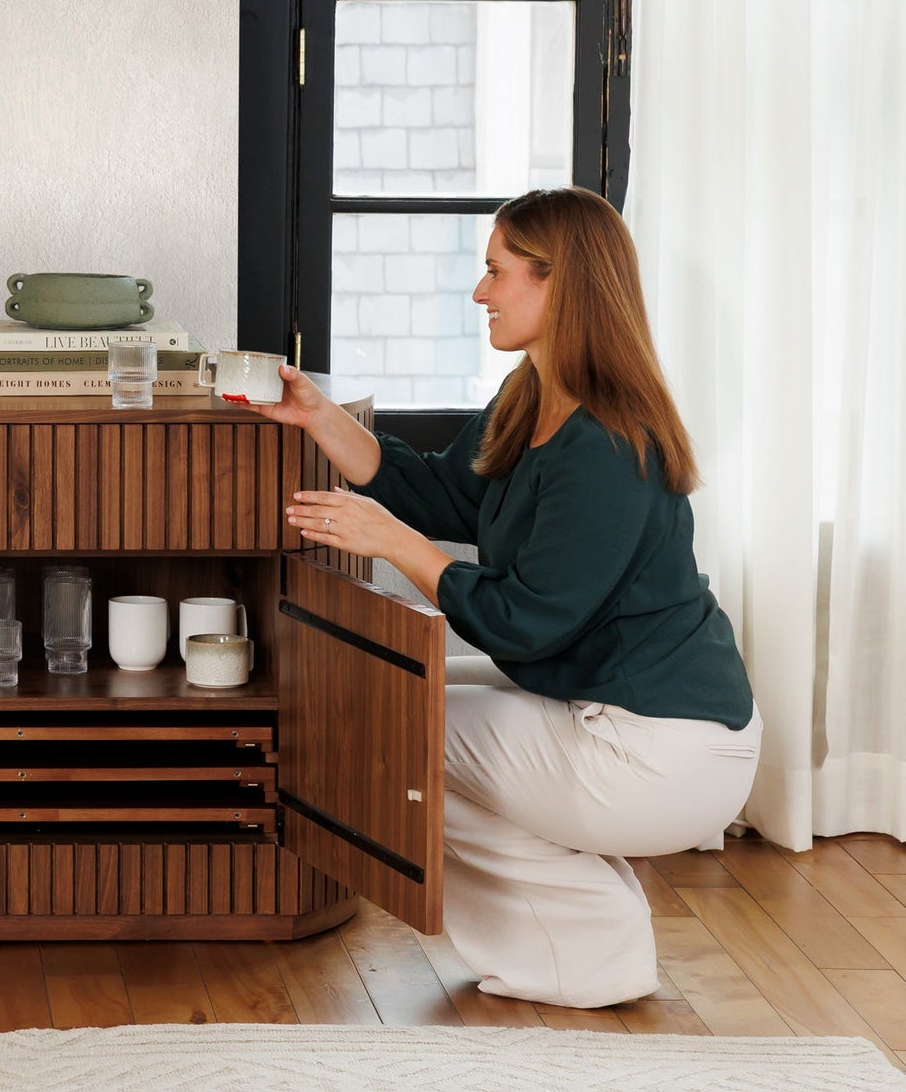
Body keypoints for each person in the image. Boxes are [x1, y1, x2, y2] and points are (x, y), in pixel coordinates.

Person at [251, 186, 761, 1009]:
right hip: (614, 707)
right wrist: (319, 419)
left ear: (561, 285)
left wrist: (391, 544)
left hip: (666, 747)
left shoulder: (605, 444)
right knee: (403, 700)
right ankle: (593, 932)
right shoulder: (534, 396)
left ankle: (585, 946)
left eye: (496, 271)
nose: (480, 291)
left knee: (401, 722)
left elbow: (521, 623)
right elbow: (447, 494)